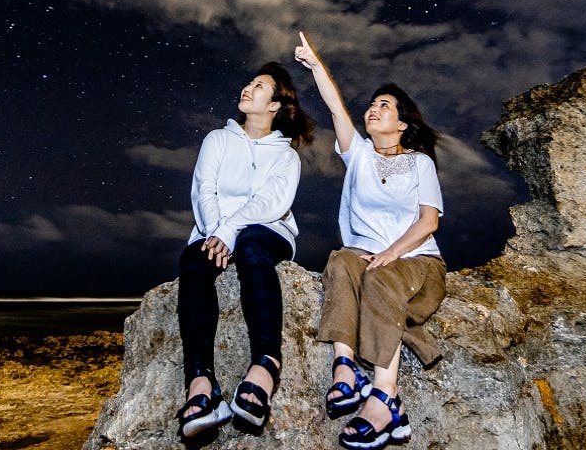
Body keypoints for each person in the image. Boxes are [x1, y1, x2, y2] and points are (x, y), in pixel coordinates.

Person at [294, 32, 446, 450]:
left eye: (386, 106)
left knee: (379, 277)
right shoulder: (358, 155)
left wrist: (390, 253)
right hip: (366, 258)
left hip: (418, 265)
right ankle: (345, 367)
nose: (374, 110)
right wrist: (314, 64)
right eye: (373, 104)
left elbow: (428, 221)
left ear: (402, 124)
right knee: (341, 260)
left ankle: (384, 396)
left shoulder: (419, 163)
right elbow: (334, 108)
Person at [175, 62, 317, 439]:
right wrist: (214, 232)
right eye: (249, 83)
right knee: (193, 261)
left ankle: (265, 367)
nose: (248, 88)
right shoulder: (217, 140)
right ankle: (200, 385)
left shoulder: (286, 156)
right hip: (212, 229)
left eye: (259, 86)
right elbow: (204, 190)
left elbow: (272, 202)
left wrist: (230, 230)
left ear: (275, 106)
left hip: (269, 230)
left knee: (253, 243)